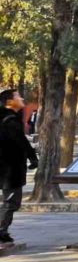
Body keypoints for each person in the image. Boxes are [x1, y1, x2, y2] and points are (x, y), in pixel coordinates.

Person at [0, 89, 38, 244]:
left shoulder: (11, 118)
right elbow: (20, 142)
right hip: (8, 169)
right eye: (17, 96)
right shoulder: (8, 120)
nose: (21, 98)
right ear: (10, 102)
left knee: (12, 201)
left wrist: (31, 157)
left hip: (9, 168)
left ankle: (3, 231)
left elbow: (21, 141)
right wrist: (32, 157)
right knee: (11, 201)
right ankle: (1, 230)